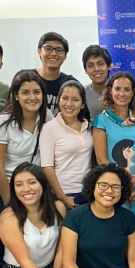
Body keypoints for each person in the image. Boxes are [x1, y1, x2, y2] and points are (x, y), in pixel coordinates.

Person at [0, 71, 52, 208]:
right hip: (7, 185)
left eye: (37, 92)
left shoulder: (47, 116)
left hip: (34, 185)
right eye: (25, 92)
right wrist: (9, 203)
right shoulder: (1, 123)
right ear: (16, 96)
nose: (32, 97)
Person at [93, 72, 135, 222]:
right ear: (110, 91)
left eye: (127, 89)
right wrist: (124, 185)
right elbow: (101, 159)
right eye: (117, 89)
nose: (122, 93)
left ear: (133, 92)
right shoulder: (101, 120)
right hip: (112, 188)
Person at [40, 80, 94, 210]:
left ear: (82, 105)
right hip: (66, 193)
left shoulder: (88, 125)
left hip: (89, 191)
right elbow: (47, 167)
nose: (69, 104)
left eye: (75, 99)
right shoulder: (49, 128)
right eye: (65, 98)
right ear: (59, 101)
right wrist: (62, 197)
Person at [20, 32, 79, 115]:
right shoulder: (24, 78)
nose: (53, 53)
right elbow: (12, 108)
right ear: (39, 51)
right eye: (48, 48)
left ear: (65, 56)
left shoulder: (71, 84)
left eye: (59, 50)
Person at [82, 45, 112, 120]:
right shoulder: (81, 94)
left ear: (109, 66)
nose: (96, 69)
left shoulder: (120, 92)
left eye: (100, 64)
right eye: (90, 65)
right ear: (86, 70)